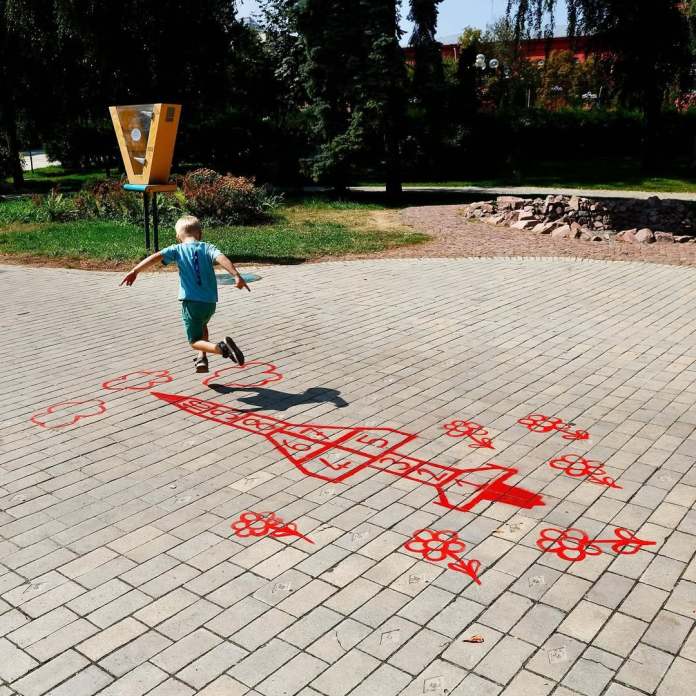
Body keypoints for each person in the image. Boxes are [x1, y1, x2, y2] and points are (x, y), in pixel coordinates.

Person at [120, 215, 250, 373]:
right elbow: (222, 258)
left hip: (190, 302)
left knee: (194, 340)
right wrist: (236, 275)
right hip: (209, 303)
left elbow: (154, 258)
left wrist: (135, 271)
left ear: (177, 236)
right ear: (200, 234)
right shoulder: (208, 247)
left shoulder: (176, 249)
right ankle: (202, 358)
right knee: (202, 326)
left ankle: (222, 348)